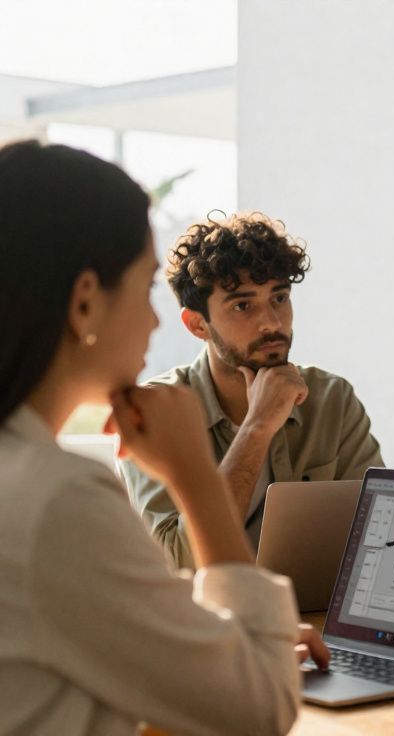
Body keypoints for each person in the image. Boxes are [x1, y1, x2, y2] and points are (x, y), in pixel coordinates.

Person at [0, 140, 328, 735]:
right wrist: (197, 480)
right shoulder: (58, 498)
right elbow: (259, 709)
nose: (155, 321)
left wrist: (209, 645)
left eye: (279, 298)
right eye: (147, 287)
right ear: (84, 304)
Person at [120, 212, 383, 569]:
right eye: (243, 305)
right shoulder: (153, 413)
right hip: (207, 622)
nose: (273, 323)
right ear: (197, 324)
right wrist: (257, 427)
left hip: (312, 618)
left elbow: (380, 539)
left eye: (279, 298)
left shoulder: (331, 399)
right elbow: (179, 565)